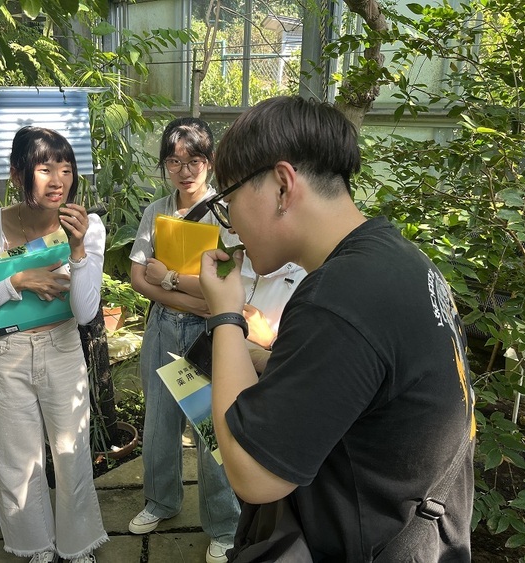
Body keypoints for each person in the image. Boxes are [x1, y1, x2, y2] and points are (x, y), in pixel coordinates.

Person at [198, 96, 475, 561]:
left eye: (228, 203)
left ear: (283, 186)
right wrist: (268, 360)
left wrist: (226, 316)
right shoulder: (399, 261)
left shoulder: (339, 297)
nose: (229, 228)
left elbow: (253, 475)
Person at [0, 126, 107, 563]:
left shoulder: (87, 226)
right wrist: (15, 282)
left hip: (62, 350)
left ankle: (76, 548)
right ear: (18, 173)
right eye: (44, 168)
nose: (59, 179)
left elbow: (86, 310)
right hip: (8, 354)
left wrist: (77, 251)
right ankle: (37, 547)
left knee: (72, 453)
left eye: (66, 168)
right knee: (19, 462)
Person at [128, 117, 240, 563]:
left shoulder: (226, 213)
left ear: (209, 162)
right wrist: (192, 296)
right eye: (174, 161)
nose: (184, 170)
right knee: (158, 425)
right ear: (165, 166)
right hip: (162, 327)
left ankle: (224, 524)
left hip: (206, 334)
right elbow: (138, 276)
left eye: (193, 160)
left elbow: (231, 282)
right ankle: (161, 501)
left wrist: (171, 277)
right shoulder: (155, 211)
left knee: (211, 430)